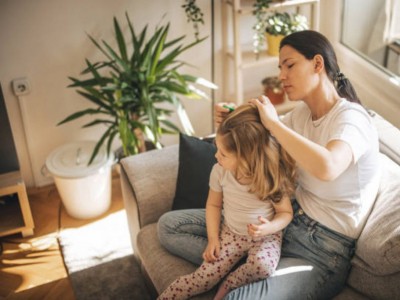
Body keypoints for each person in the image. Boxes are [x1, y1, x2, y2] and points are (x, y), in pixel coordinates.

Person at [158, 30, 381, 299]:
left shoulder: (351, 119)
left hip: (321, 249)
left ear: (317, 64)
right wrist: (232, 118)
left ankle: (245, 267)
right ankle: (241, 262)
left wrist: (274, 123)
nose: (282, 76)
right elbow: (255, 140)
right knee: (169, 226)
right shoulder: (301, 114)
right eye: (280, 67)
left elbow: (328, 167)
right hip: (276, 225)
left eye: (290, 65)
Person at [158, 104, 296, 300]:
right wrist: (213, 239)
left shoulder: (270, 176)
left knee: (263, 267)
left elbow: (285, 213)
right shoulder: (219, 171)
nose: (216, 156)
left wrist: (270, 227)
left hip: (265, 237)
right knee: (201, 278)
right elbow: (213, 205)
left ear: (247, 157)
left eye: (223, 154)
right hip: (231, 233)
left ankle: (231, 282)